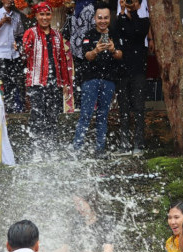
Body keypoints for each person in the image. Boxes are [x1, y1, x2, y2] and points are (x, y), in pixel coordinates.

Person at [72, 2, 122, 158]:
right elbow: (86, 56)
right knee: (85, 114)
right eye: (100, 18)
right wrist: (96, 50)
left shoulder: (114, 33)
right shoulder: (89, 35)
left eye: (106, 18)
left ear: (109, 18)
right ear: (94, 18)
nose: (103, 21)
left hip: (109, 80)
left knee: (103, 115)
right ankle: (77, 150)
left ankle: (100, 150)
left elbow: (120, 55)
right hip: (90, 80)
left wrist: (113, 49)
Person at [22, 2, 72, 148]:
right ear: (36, 16)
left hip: (54, 82)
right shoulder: (30, 33)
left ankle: (51, 148)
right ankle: (36, 149)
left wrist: (65, 83)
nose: (45, 17)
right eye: (42, 14)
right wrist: (21, 49)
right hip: (37, 82)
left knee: (52, 116)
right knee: (37, 116)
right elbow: (24, 54)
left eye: (47, 14)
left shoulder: (57, 35)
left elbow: (62, 60)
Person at [116, 0, 149, 155]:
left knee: (139, 108)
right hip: (123, 71)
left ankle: (139, 144)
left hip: (138, 71)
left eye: (133, 0)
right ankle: (124, 144)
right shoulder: (120, 19)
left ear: (139, 3)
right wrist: (123, 12)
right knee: (123, 109)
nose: (130, 3)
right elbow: (118, 31)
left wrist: (133, 11)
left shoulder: (143, 21)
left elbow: (136, 32)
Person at [0, 0, 25, 112]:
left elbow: (20, 34)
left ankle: (16, 109)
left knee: (17, 81)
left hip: (14, 54)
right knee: (4, 82)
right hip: (1, 54)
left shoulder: (17, 15)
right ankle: (2, 109)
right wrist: (2, 21)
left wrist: (20, 48)